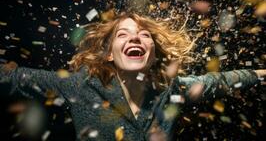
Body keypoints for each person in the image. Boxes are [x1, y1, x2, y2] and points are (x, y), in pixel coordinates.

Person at [0, 13, 265, 141]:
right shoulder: (79, 86)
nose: (136, 37)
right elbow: (14, 79)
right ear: (109, 55)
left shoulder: (173, 91)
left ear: (152, 54)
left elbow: (223, 81)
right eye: (123, 34)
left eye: (144, 34)